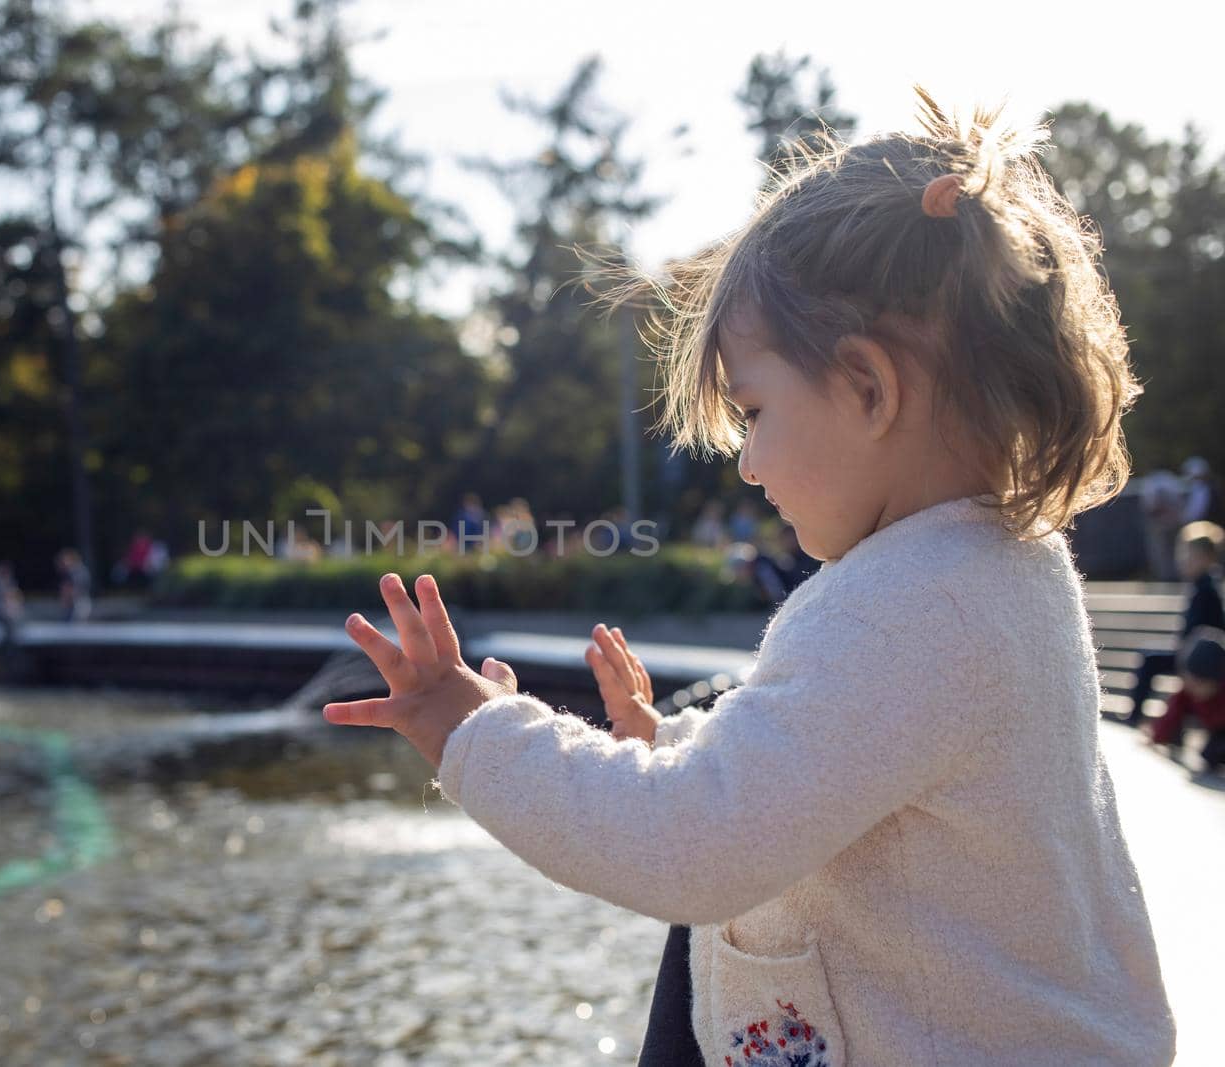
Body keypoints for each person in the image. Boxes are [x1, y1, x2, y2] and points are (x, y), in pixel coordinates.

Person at [319, 92, 1174, 1064]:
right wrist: (677, 743)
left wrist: (470, 728)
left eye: (755, 411)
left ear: (867, 387)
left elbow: (692, 845)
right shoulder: (996, 570)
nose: (748, 463)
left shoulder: (905, 610)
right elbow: (853, 775)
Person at [1121, 520, 1225, 724]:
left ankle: (1134, 718)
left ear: (1205, 557)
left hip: (1198, 657)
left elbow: (1209, 630)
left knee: (1150, 660)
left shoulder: (1207, 588)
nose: (1183, 561)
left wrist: (1191, 657)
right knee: (1150, 656)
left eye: (1189, 555)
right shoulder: (1201, 585)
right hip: (1190, 652)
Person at [1142, 627, 1225, 774]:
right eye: (1191, 681)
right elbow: (1172, 713)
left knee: (1213, 754)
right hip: (1211, 724)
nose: (1195, 689)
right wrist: (1157, 737)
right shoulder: (1188, 692)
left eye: (1200, 683)